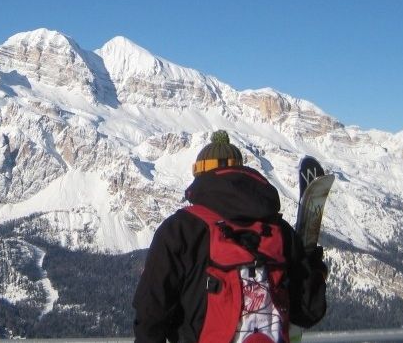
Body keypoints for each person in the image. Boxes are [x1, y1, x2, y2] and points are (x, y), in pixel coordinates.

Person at [133, 130, 328, 343]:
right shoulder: (280, 230)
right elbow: (309, 312)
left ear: (200, 174)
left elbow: (151, 311)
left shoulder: (181, 229)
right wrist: (312, 263)